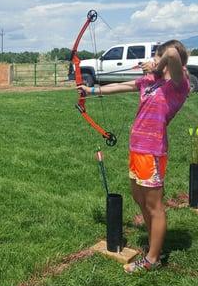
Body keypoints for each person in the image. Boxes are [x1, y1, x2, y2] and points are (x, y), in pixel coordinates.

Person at [78, 40, 190, 273]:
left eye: (157, 57)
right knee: (140, 199)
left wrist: (157, 67)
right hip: (137, 148)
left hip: (153, 150)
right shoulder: (150, 82)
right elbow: (123, 86)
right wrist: (90, 91)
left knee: (154, 205)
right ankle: (153, 245)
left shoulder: (178, 85)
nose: (155, 60)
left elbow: (172, 52)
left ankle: (152, 260)